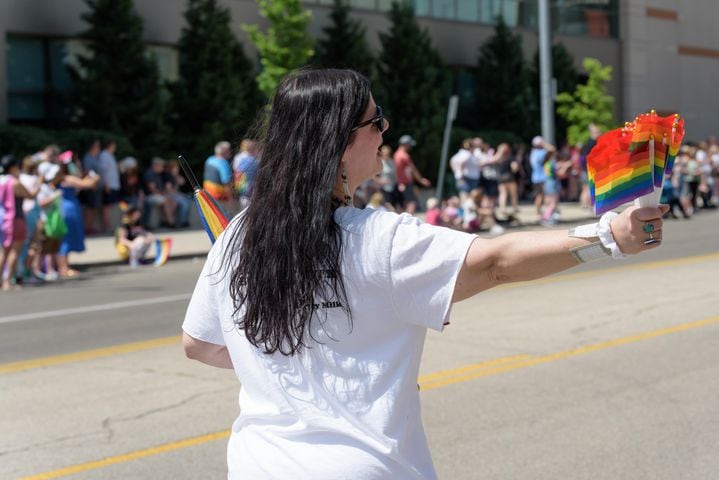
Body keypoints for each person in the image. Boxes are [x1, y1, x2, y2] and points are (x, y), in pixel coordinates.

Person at [182, 68, 667, 479]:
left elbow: (199, 343)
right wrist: (608, 237)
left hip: (257, 466)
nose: (384, 131)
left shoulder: (238, 235)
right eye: (377, 121)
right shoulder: (377, 239)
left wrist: (279, 361)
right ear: (340, 138)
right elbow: (497, 262)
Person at [0, 155, 41, 290]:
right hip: (15, 218)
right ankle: (7, 282)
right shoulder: (14, 182)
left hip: (2, 219)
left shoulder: (1, 181)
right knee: (14, 251)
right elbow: (31, 195)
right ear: (12, 168)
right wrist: (39, 182)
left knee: (3, 252)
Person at [393, 134, 430, 214]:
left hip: (400, 183)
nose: (410, 147)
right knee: (412, 203)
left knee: (403, 204)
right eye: (409, 144)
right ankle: (408, 223)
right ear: (406, 144)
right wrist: (421, 180)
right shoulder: (404, 156)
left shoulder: (396, 155)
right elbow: (413, 169)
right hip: (406, 183)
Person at [98, 140, 120, 233]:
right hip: (108, 184)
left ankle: (109, 225)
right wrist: (106, 184)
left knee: (110, 206)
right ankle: (107, 226)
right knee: (107, 206)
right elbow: (103, 171)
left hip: (113, 184)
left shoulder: (111, 155)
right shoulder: (104, 155)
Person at [203, 141, 233, 208]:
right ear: (225, 151)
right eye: (229, 150)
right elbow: (226, 183)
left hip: (207, 195)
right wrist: (230, 199)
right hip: (219, 198)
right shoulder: (223, 163)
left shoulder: (209, 160)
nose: (230, 152)